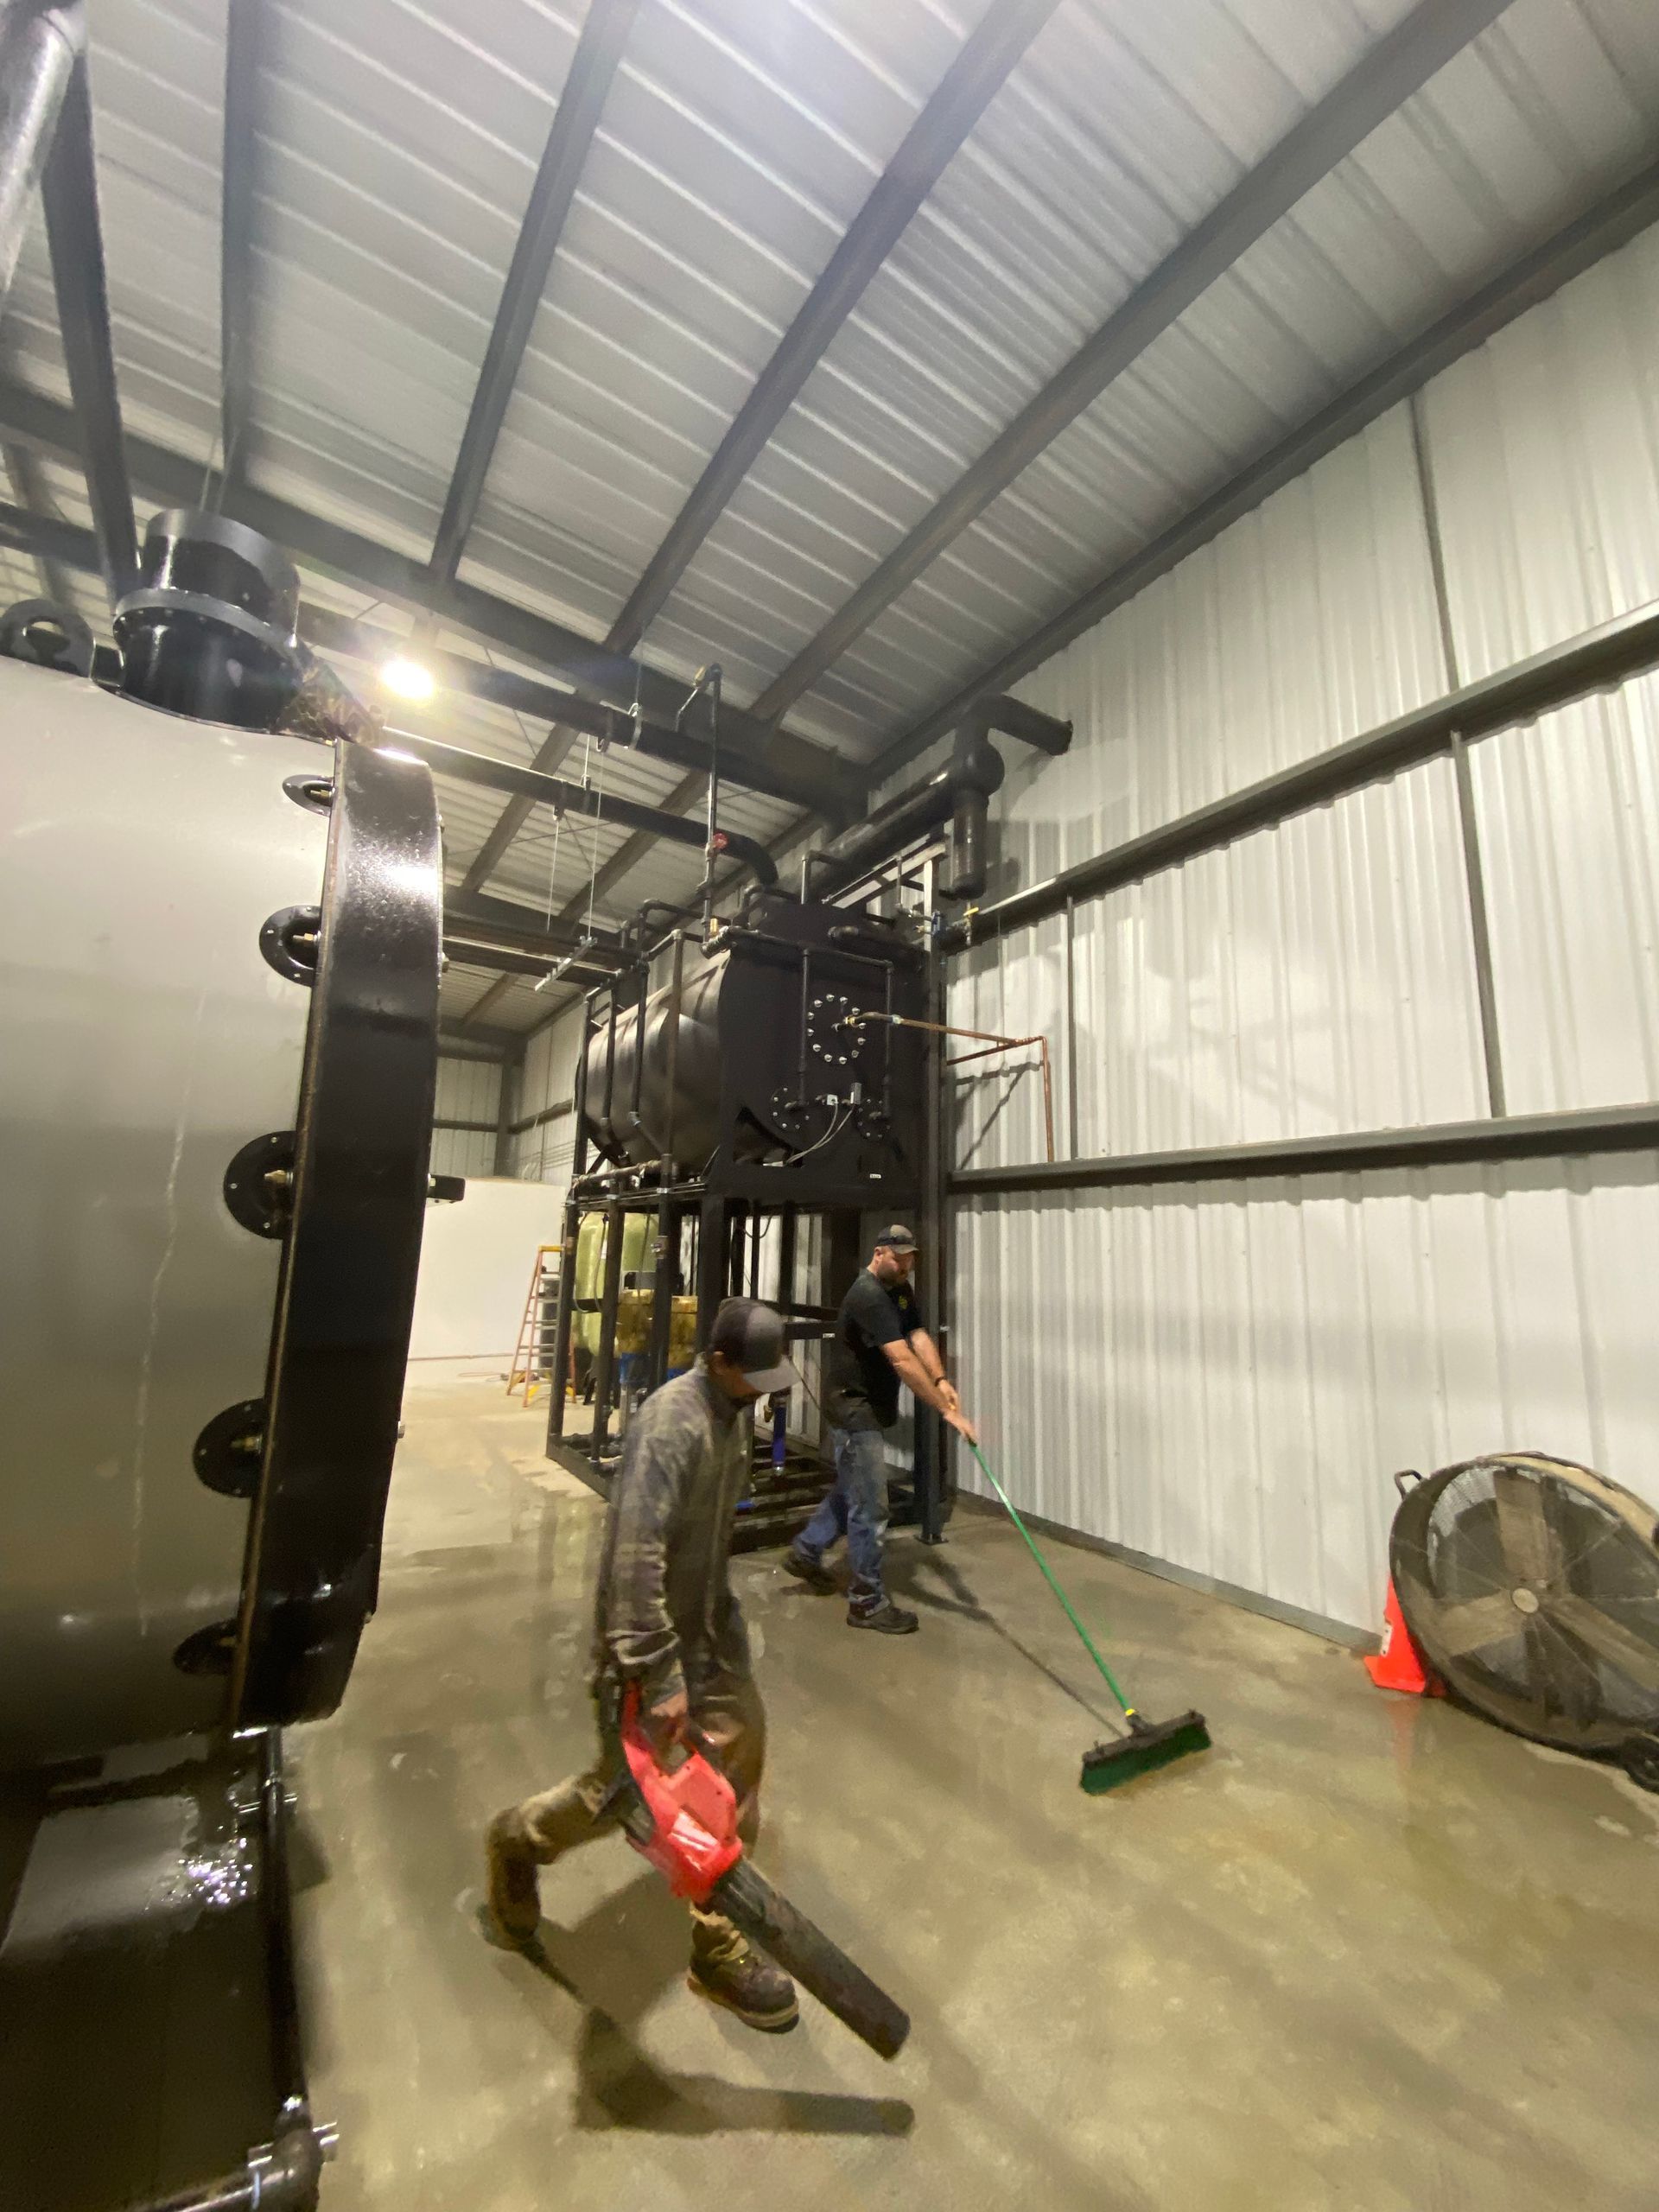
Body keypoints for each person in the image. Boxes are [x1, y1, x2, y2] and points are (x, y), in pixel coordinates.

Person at [485, 1297, 802, 2032]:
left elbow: (712, 1536)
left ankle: (719, 1950)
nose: (763, 1389)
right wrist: (657, 1673)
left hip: (707, 1637)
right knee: (622, 1798)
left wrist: (722, 1634)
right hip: (645, 1644)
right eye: (754, 1374)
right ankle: (518, 1839)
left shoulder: (731, 1414)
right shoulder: (670, 1425)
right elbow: (634, 1554)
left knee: (739, 1764)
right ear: (719, 1362)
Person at [785, 1224, 976, 1635]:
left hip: (869, 1406)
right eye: (899, 1257)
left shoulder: (900, 1289)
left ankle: (806, 1550)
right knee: (872, 1507)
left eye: (910, 1257)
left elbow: (918, 1335)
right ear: (879, 1253)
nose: (907, 1264)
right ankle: (866, 1602)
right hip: (855, 1408)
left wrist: (942, 1380)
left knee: (853, 1489)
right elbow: (903, 1360)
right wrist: (946, 1411)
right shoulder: (868, 1294)